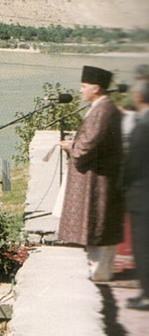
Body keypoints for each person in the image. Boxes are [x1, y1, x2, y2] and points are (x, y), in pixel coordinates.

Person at [57, 65, 126, 282]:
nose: (80, 91)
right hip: (101, 177)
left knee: (99, 227)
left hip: (99, 181)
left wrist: (71, 148)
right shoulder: (103, 107)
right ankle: (99, 274)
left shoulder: (103, 110)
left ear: (96, 88)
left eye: (84, 87)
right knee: (99, 227)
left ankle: (100, 278)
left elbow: (89, 145)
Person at [126, 79, 149, 309]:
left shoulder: (144, 124)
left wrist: (122, 186)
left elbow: (134, 162)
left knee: (143, 247)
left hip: (143, 196)